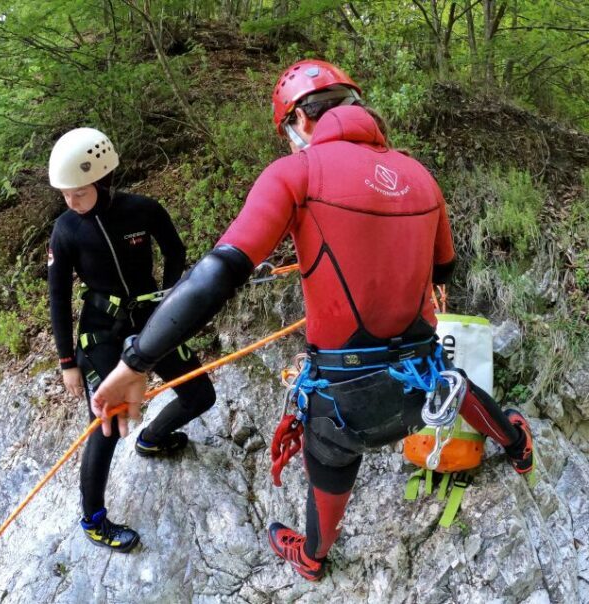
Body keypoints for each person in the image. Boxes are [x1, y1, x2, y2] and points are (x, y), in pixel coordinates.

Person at [90, 61, 535, 578]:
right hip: (423, 387)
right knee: (454, 380)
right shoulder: (419, 176)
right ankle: (517, 445)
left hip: (346, 407)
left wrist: (136, 361)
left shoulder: (295, 173)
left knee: (329, 454)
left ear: (299, 119)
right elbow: (443, 268)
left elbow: (219, 271)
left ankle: (313, 556)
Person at [47, 127, 216, 552]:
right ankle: (93, 519)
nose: (71, 202)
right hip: (102, 329)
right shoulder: (65, 231)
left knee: (200, 395)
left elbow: (175, 250)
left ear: (103, 181)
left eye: (79, 193)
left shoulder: (143, 210)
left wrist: (172, 296)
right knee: (108, 419)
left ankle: (152, 438)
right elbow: (58, 296)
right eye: (65, 194)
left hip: (152, 319)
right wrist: (67, 362)